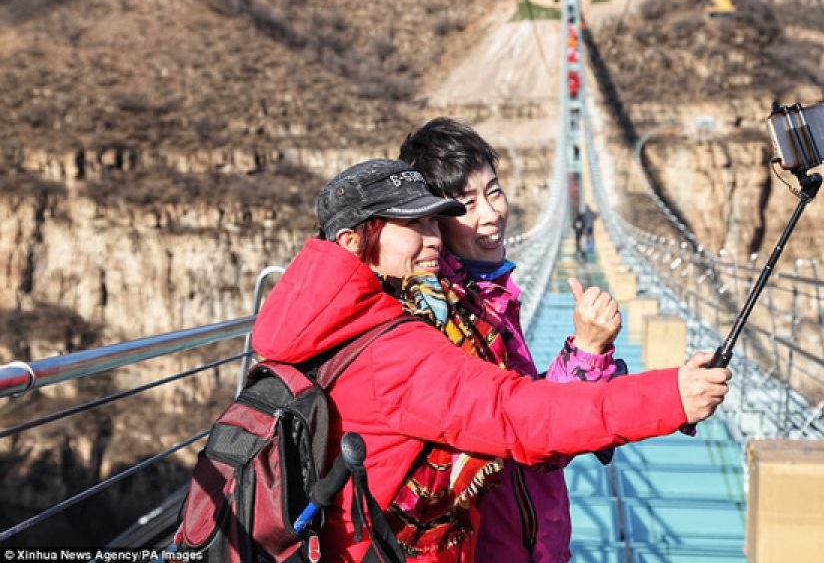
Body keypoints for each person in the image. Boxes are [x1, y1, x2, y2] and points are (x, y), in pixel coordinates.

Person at [251, 158, 730, 563]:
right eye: (412, 223)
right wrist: (670, 396)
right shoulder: (393, 353)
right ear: (354, 241)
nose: (434, 236)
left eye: (434, 220)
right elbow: (518, 416)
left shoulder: (326, 320)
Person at [399, 118, 612, 562]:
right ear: (435, 222)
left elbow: (527, 409)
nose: (491, 213)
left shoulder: (491, 296)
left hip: (534, 539)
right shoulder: (447, 321)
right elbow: (533, 434)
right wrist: (586, 352)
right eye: (467, 203)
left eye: (493, 191)